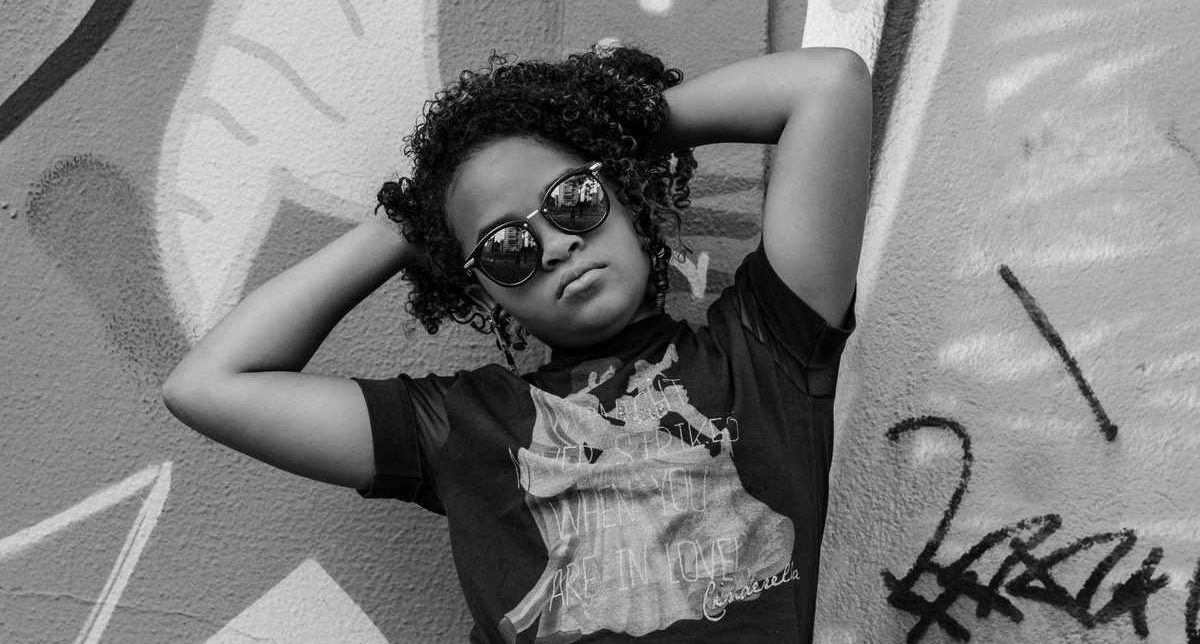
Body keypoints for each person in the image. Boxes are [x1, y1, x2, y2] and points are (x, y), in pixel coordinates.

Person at [163, 44, 872, 643]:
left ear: (626, 198)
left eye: (574, 200)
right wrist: (409, 224)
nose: (557, 245)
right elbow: (207, 387)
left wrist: (612, 128)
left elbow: (827, 84)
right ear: (481, 291)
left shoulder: (765, 350)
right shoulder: (463, 427)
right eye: (506, 247)